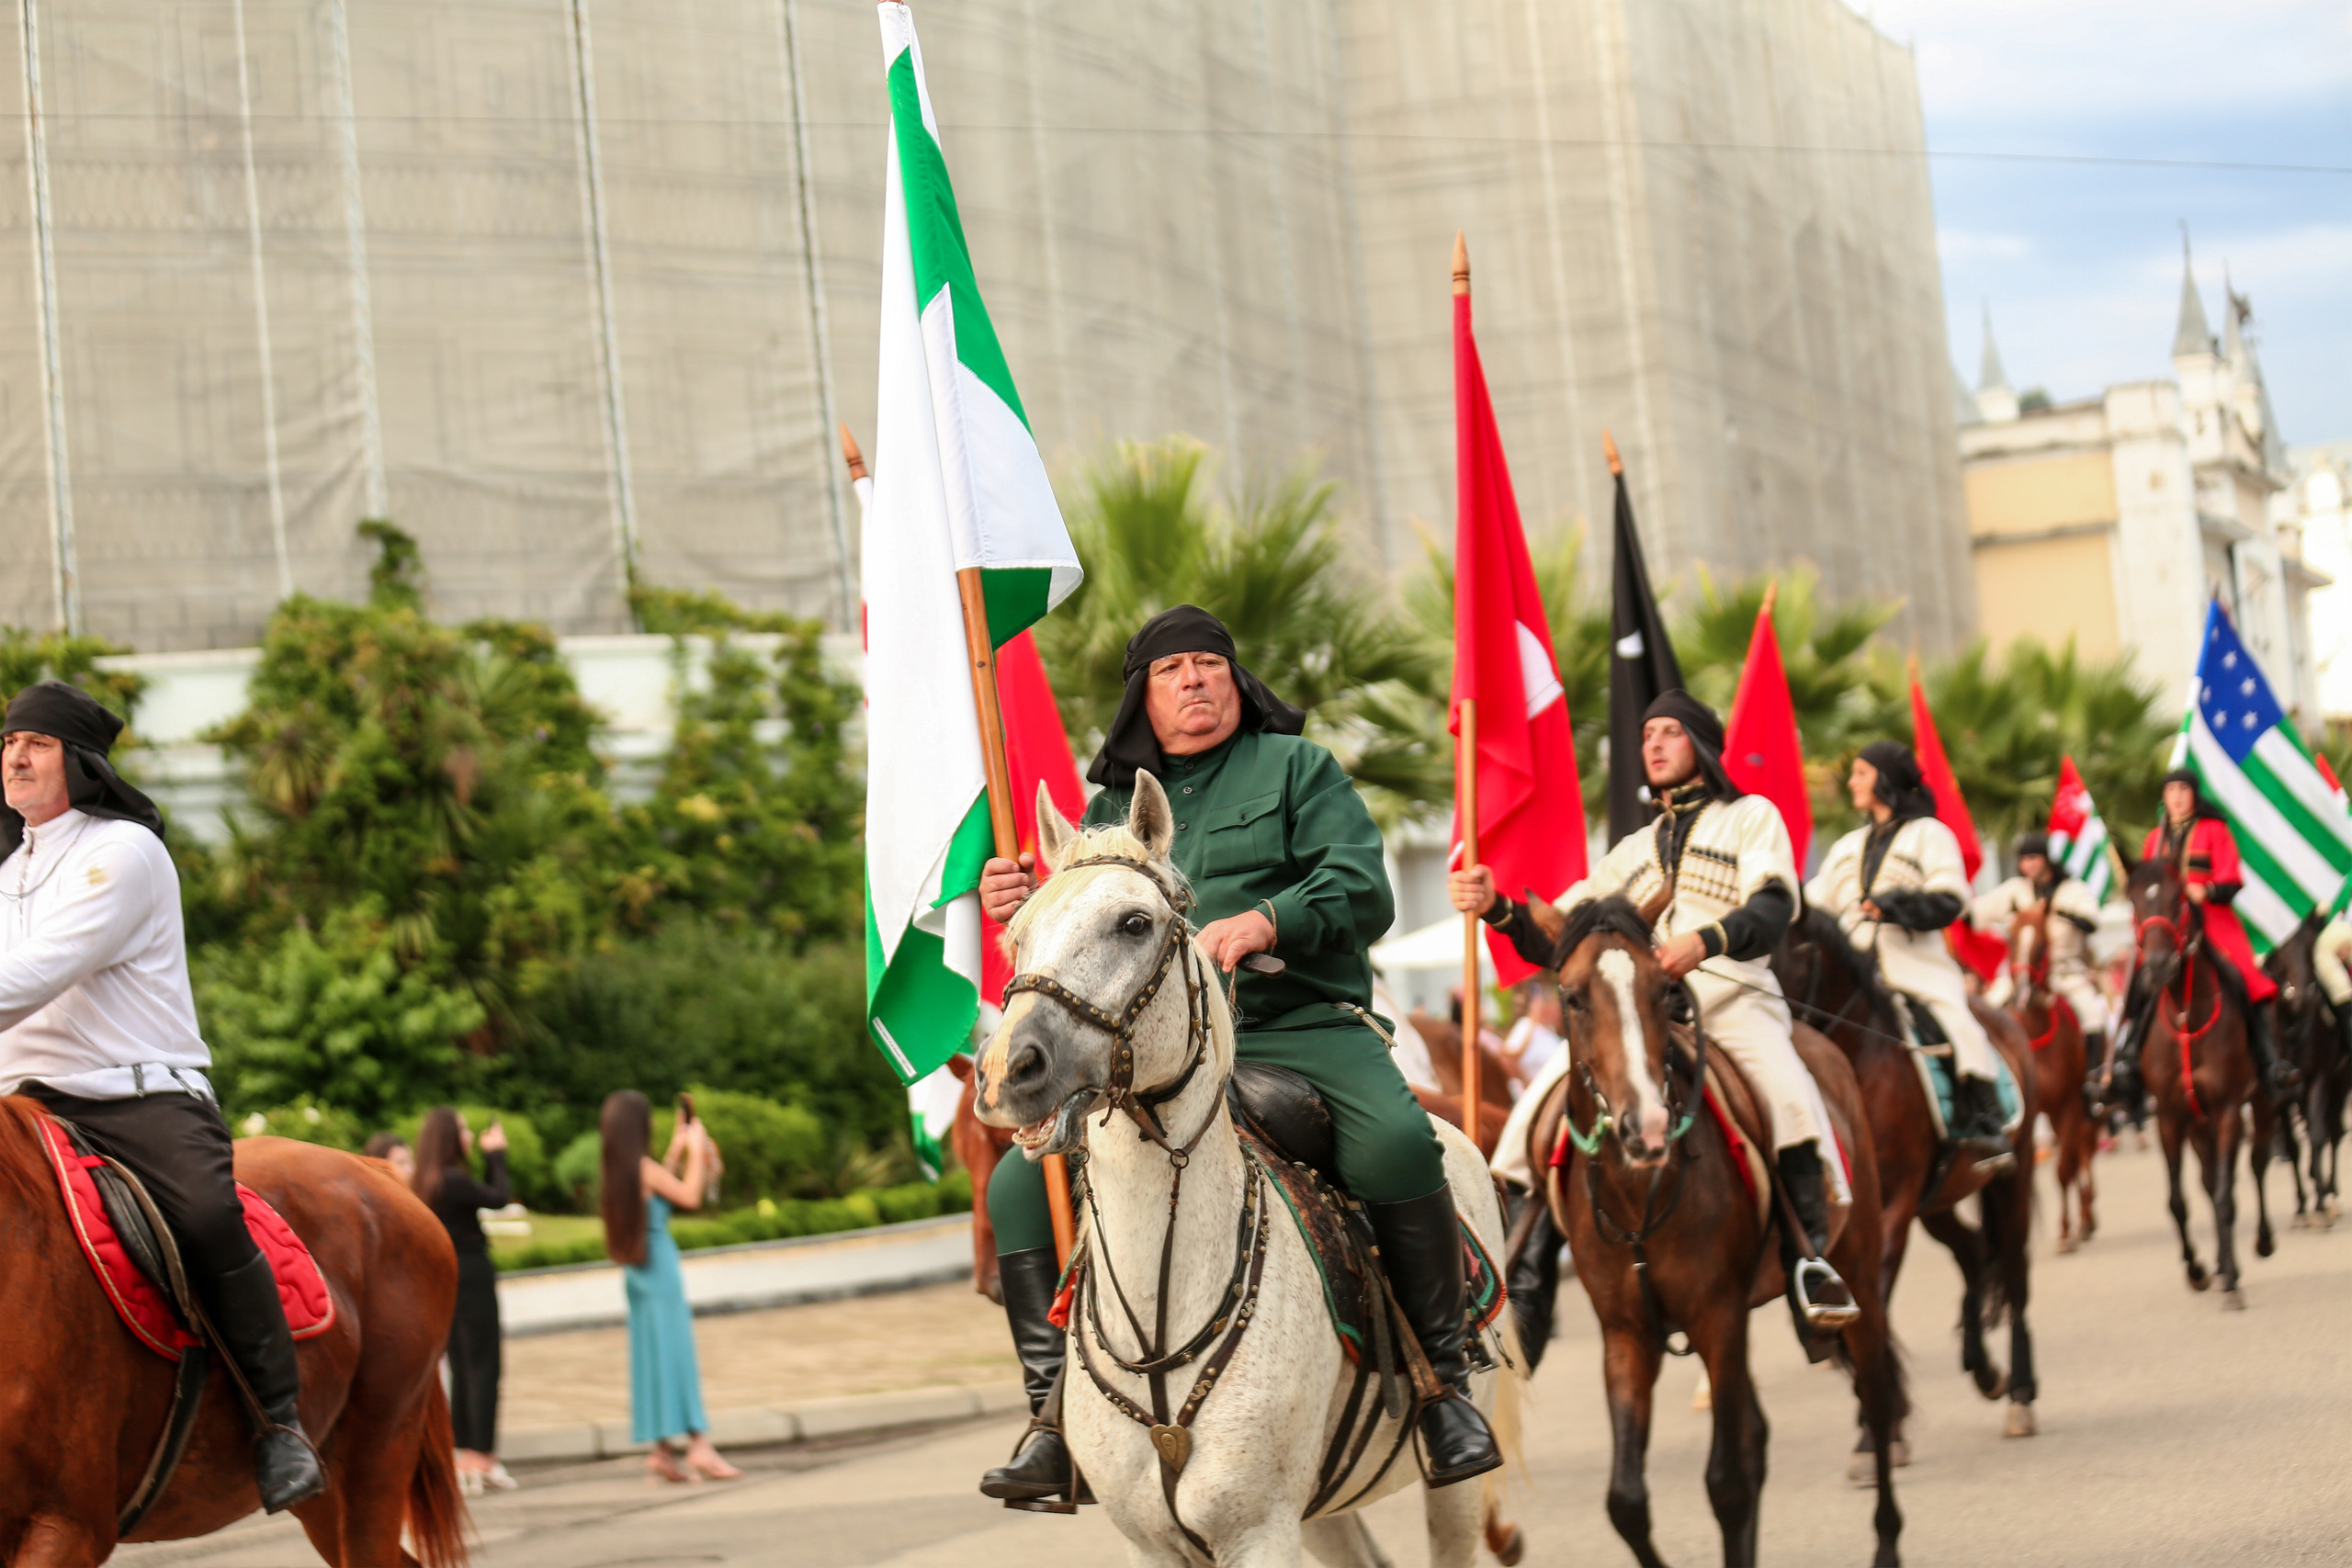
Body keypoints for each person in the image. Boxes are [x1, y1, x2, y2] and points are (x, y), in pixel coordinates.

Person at [977, 605, 1500, 1498]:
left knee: (1398, 1145)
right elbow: (1069, 944)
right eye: (1171, 669)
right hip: (1146, 1055)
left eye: (1208, 665)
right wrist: (1017, 902)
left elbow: (1360, 886)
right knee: (1019, 1185)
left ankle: (1443, 1385)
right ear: (1145, 696)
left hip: (1295, 1022)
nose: (1193, 680)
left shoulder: (1297, 769)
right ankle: (1052, 1420)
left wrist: (1272, 918)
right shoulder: (1108, 807)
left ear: (1235, 680)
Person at [0, 681, 322, 1510]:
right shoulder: (8, 868)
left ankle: (278, 1420)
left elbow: (36, 975)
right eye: (7, 743)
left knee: (210, 1214)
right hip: (26, 1100)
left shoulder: (123, 851)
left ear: (80, 760)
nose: (15, 755)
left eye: (35, 742)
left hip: (137, 1099)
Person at [1452, 690, 1860, 1334]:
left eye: (1670, 732)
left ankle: (1809, 1260)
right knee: (1529, 1121)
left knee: (1788, 1096)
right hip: (1639, 1016)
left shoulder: (1751, 817)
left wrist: (1706, 940)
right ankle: (1521, 1268)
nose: (1656, 744)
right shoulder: (1632, 850)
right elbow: (1558, 932)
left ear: (1700, 744)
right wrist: (1497, 904)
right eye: (1648, 736)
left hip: (1733, 1001)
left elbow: (1777, 903)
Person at [1810, 743, 2014, 1161]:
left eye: (1861, 773)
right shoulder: (1848, 845)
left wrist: (1894, 904)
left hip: (1916, 967)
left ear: (1886, 779)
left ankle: (1984, 1117)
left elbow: (1951, 898)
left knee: (1955, 1022)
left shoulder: (1930, 834)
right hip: (1855, 970)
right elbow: (1816, 903)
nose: (1852, 782)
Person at [598, 1091, 741, 1484]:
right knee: (677, 1355)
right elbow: (690, 1196)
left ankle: (661, 1449)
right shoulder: (643, 1168)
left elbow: (654, 1190)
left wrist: (675, 1153)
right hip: (660, 1270)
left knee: (651, 1358)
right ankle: (700, 1446)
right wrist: (696, 1150)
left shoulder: (619, 1168)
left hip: (636, 1275)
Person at [2124, 771, 2292, 1099]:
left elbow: (2232, 881)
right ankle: (2128, 1060)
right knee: (2139, 983)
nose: (2177, 796)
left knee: (2245, 978)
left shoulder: (2214, 830)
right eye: (2171, 789)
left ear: (2194, 795)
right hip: (2168, 929)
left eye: (2183, 789)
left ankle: (2271, 1061)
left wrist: (2208, 891)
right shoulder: (2153, 840)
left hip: (2214, 923)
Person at [414, 1106, 514, 1495]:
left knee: (460, 1365)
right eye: (462, 1130)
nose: (468, 1136)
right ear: (449, 1137)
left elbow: (489, 1198)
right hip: (472, 1274)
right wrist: (497, 1155)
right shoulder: (453, 1179)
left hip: (445, 1276)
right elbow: (501, 1197)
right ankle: (484, 1457)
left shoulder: (427, 1180)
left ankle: (464, 1454)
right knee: (484, 1365)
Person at [1973, 831, 2110, 1077]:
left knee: (2093, 1015)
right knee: (1988, 1011)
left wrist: (2062, 912)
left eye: (2034, 857)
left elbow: (2092, 920)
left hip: (2065, 972)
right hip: (2021, 974)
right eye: (2024, 859)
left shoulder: (2072, 890)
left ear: (2046, 859)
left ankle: (2095, 1078)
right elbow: (1979, 912)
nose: (2029, 864)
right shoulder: (2016, 890)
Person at [1499, 979, 1564, 1097]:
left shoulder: (1550, 1030)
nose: (1558, 1010)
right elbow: (1507, 1058)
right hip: (1538, 1096)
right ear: (1544, 1006)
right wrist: (1527, 1084)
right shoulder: (1526, 1025)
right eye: (1554, 1004)